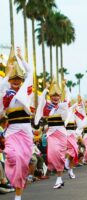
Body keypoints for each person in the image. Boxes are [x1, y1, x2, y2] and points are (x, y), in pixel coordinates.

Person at [0, 47, 34, 200]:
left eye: (18, 79)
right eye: (13, 79)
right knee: (12, 156)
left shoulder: (25, 92)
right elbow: (1, 86)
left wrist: (21, 58)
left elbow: (30, 73)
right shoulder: (5, 93)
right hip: (12, 131)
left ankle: (18, 196)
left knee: (23, 161)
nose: (16, 81)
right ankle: (10, 180)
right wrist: (9, 71)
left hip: (26, 131)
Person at [35, 80, 69, 188]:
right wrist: (45, 89)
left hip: (61, 133)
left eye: (57, 95)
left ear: (60, 96)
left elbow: (67, 97)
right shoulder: (47, 106)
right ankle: (54, 171)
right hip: (52, 133)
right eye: (53, 95)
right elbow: (40, 101)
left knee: (61, 156)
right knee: (52, 154)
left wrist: (64, 87)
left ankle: (59, 178)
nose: (55, 97)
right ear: (50, 96)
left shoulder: (63, 105)